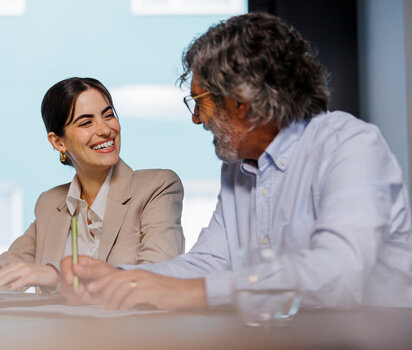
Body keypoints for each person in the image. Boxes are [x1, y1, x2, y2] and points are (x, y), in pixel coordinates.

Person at [59, 13, 412, 310]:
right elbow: (212, 261)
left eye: (200, 101)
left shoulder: (350, 146)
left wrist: (192, 293)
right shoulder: (239, 168)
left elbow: (338, 274)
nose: (197, 118)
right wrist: (121, 279)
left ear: (241, 100)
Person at [0, 77, 184, 293]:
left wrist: (57, 276)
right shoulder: (50, 203)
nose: (105, 129)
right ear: (58, 142)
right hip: (57, 335)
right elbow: (3, 272)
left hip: (128, 334)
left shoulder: (157, 187)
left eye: (108, 115)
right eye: (86, 122)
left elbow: (157, 278)